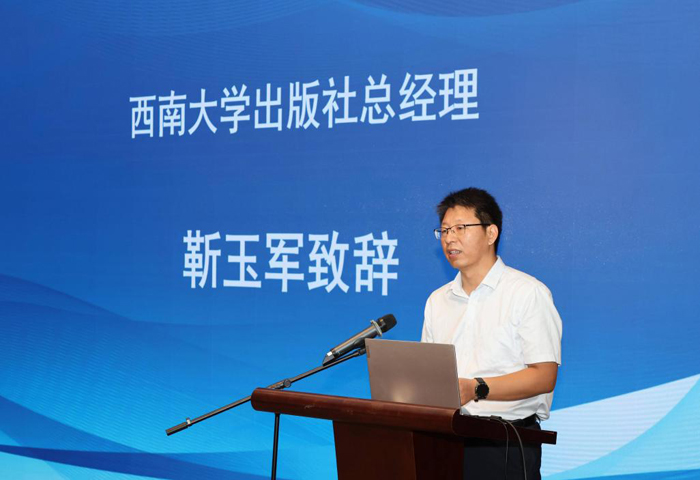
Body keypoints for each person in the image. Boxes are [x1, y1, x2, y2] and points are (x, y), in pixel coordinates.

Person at [421, 187, 562, 480]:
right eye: (444, 230)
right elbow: (430, 374)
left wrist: (477, 388)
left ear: (491, 233)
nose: (449, 238)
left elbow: (544, 376)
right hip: (445, 438)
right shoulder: (437, 300)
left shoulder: (527, 293)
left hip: (504, 442)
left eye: (460, 228)